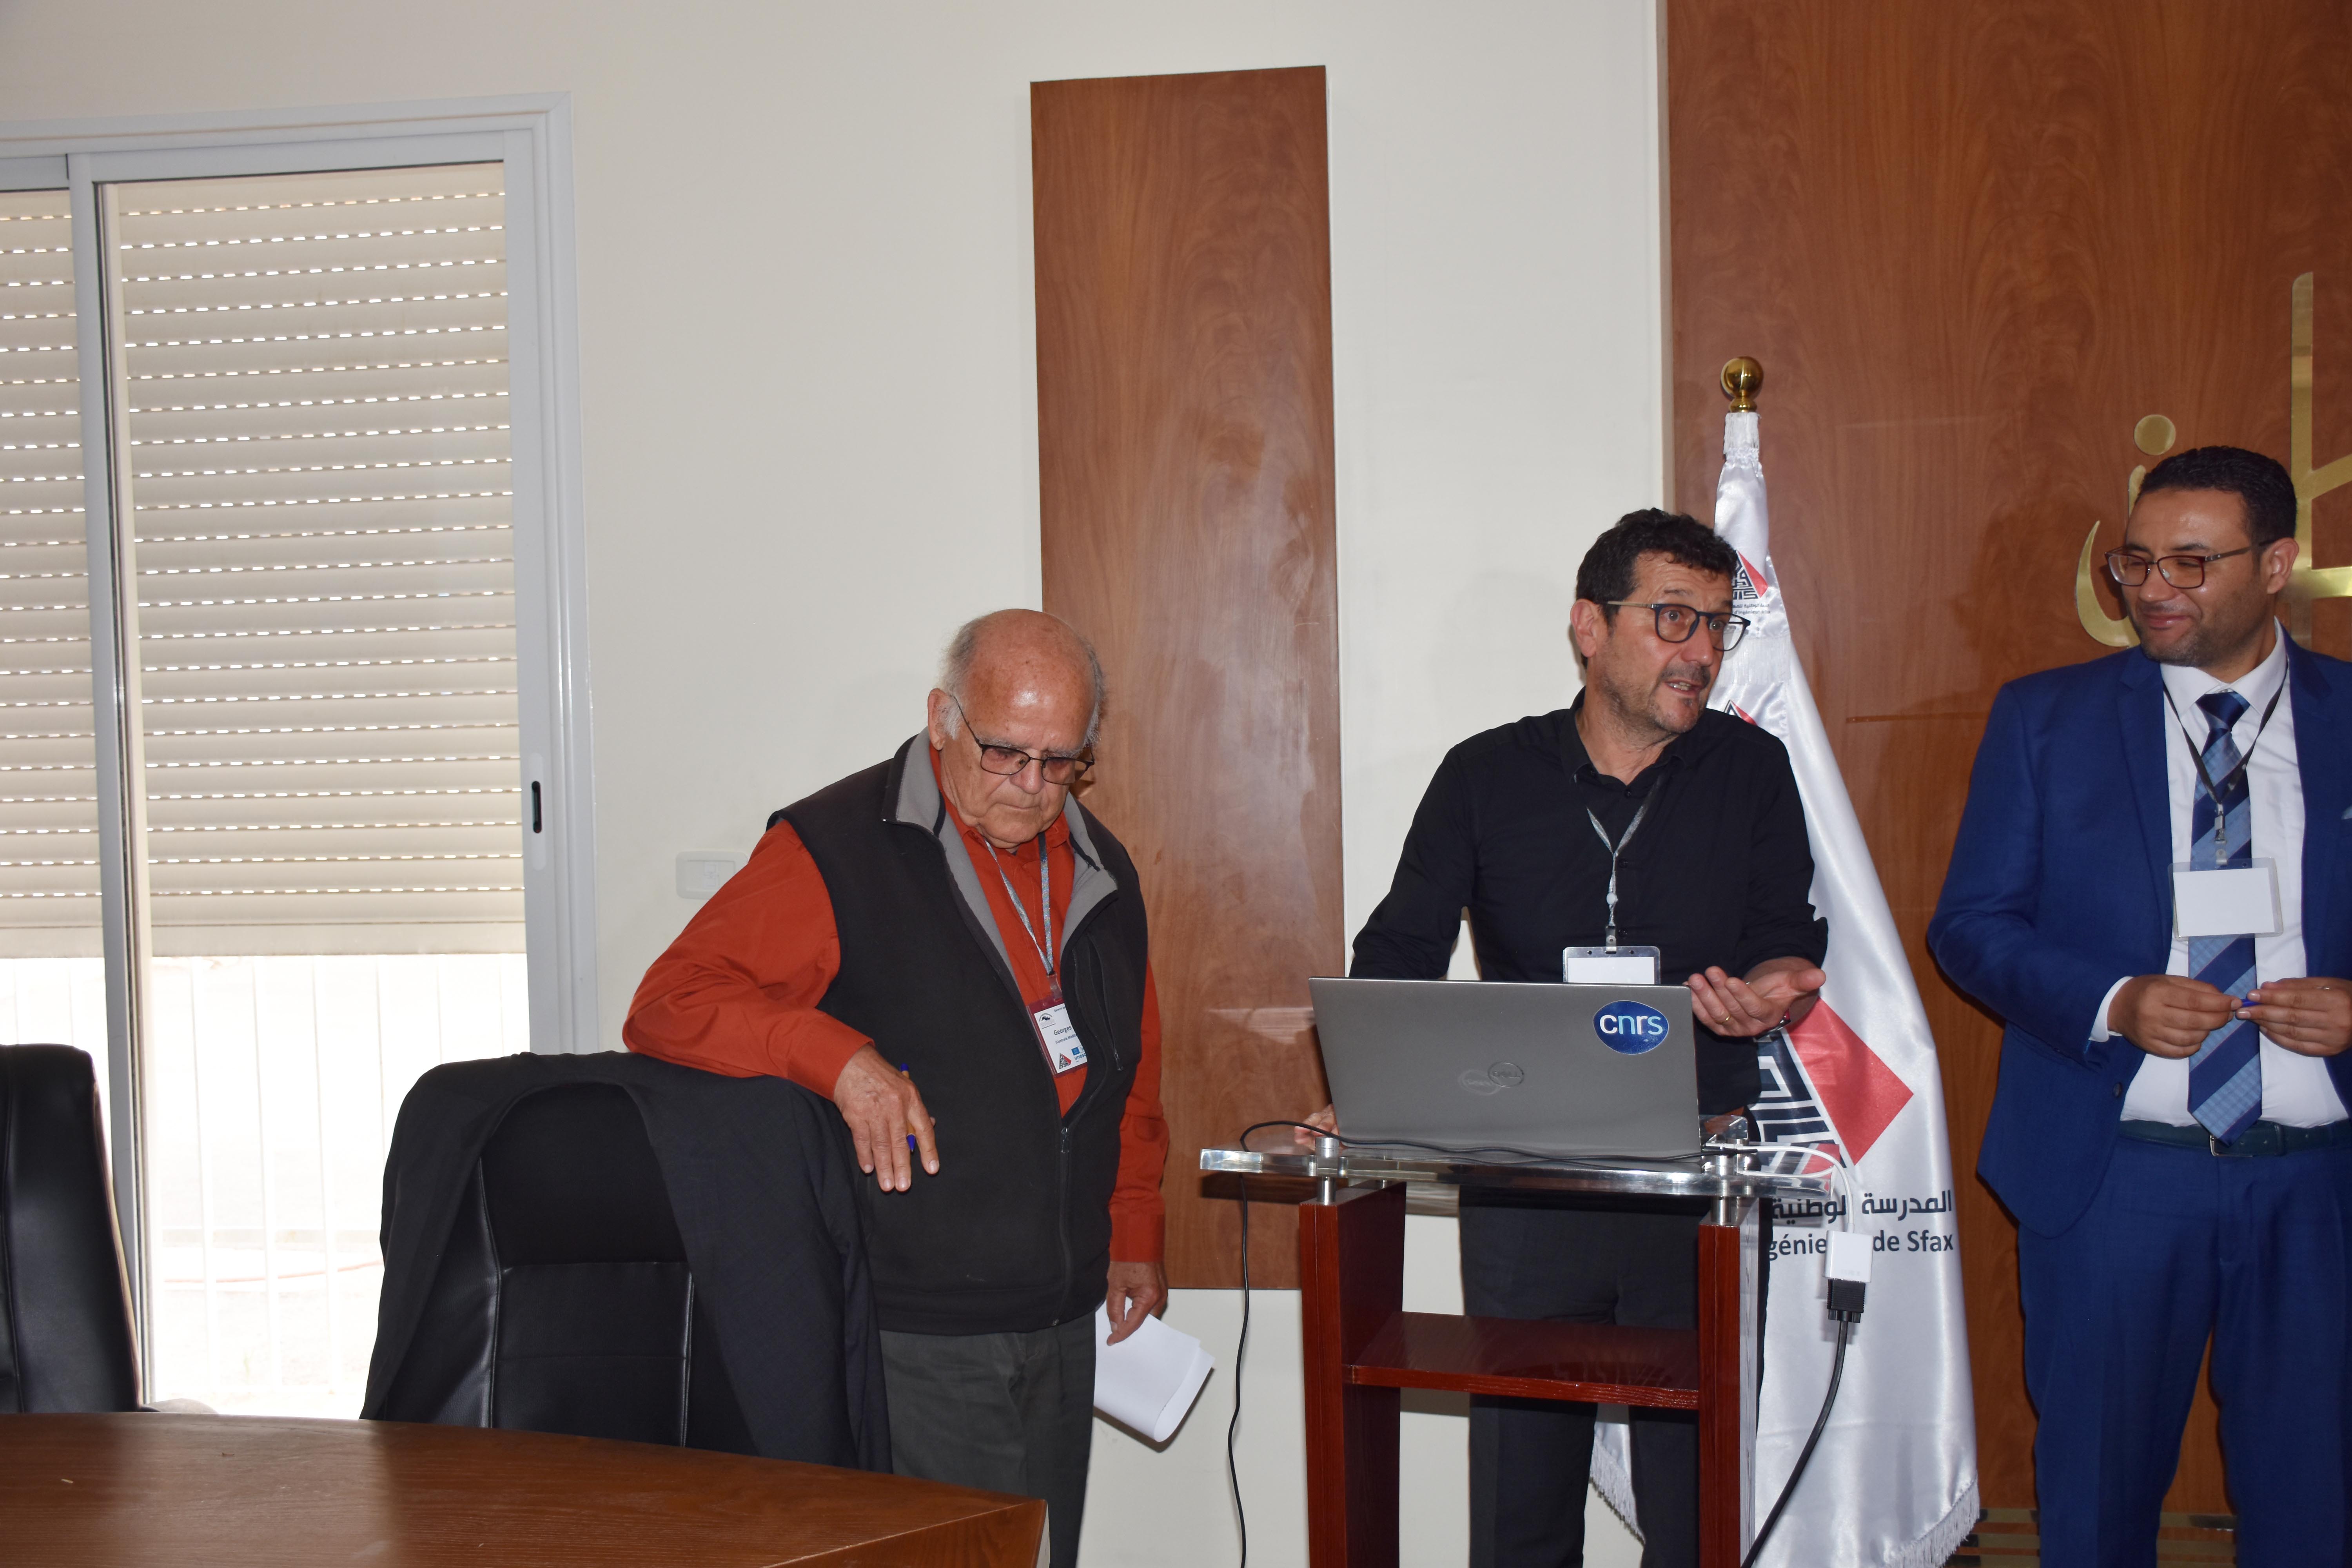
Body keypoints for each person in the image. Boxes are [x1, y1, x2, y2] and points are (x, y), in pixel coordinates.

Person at [624, 609, 1169, 1568]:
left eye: (1060, 760)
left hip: (1064, 1308)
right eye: (1006, 752)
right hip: (917, 1321)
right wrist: (836, 1055)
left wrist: (1133, 1229)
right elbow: (672, 1003)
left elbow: (1133, 1064)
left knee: (1045, 1553)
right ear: (942, 718)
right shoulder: (837, 846)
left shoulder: (1100, 864)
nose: (1033, 785)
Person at [1346, 508, 1828, 1568]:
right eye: (1673, 618)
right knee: (1521, 1503)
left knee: (1694, 1507)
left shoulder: (1751, 773)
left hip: (1694, 1183)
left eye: (1717, 624)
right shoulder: (1485, 776)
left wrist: (1772, 990)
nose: (1701, 651)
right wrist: (1369, 1083)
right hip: (1528, 1190)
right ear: (1589, 627)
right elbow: (1400, 949)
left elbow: (1784, 939)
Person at [1930, 445, 2352, 1568]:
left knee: (2317, 1507)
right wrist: (2113, 1002)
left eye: (2190, 563)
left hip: (2320, 1186)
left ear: (2277, 565)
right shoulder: (2048, 719)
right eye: (2136, 561)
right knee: (2094, 1509)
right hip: (2117, 1176)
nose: (2153, 588)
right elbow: (1970, 924)